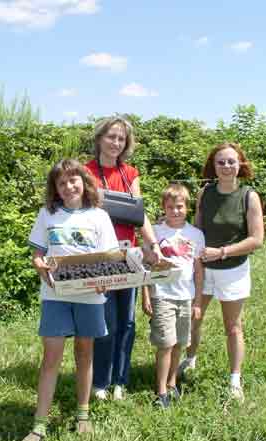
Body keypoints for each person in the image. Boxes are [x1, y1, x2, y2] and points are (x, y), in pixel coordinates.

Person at [15, 159, 119, 441]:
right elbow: (37, 253)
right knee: (51, 358)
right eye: (62, 183)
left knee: (85, 353)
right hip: (55, 295)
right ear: (56, 190)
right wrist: (39, 265)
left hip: (90, 296)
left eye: (73, 180)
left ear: (84, 182)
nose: (69, 186)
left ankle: (83, 415)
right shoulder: (48, 215)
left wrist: (104, 281)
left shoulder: (99, 216)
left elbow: (110, 257)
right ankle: (39, 426)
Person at [179, 143, 264, 402]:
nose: (226, 166)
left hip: (233, 270)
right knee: (194, 318)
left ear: (240, 164)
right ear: (213, 166)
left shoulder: (249, 196)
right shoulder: (205, 193)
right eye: (221, 162)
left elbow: (256, 239)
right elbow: (197, 228)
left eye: (231, 161)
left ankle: (235, 380)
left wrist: (223, 252)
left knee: (233, 327)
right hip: (204, 269)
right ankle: (189, 359)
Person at [86, 116, 163, 401]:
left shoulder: (131, 173)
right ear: (99, 139)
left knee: (127, 322)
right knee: (106, 321)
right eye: (111, 136)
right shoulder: (86, 172)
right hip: (100, 256)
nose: (116, 143)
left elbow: (139, 215)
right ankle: (100, 383)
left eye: (121, 138)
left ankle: (121, 380)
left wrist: (152, 244)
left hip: (128, 255)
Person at [141, 184, 205, 408]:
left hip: (185, 296)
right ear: (163, 208)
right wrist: (146, 296)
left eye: (179, 207)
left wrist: (197, 301)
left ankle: (172, 382)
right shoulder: (156, 233)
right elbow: (146, 267)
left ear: (187, 208)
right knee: (165, 344)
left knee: (179, 342)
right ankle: (160, 392)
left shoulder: (195, 235)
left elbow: (198, 271)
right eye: (170, 207)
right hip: (162, 295)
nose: (175, 211)